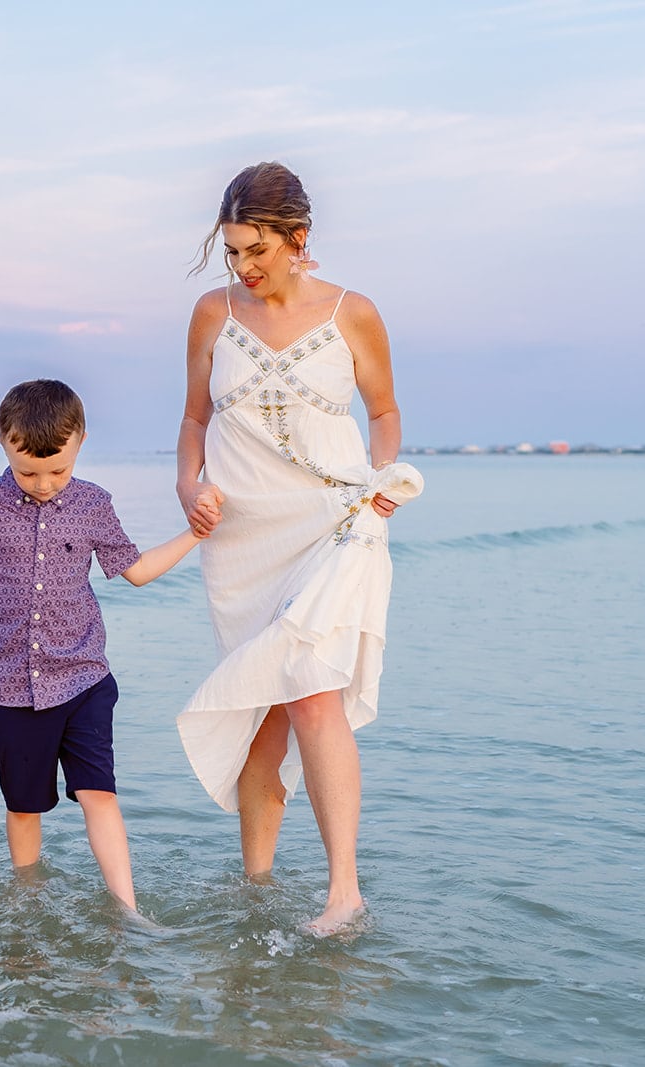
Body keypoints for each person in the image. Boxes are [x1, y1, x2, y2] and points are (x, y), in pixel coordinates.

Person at [174, 161, 423, 937]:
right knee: (264, 714)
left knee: (313, 690)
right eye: (233, 253)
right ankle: (257, 884)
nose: (244, 268)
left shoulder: (354, 312)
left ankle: (343, 891)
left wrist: (383, 477)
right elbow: (190, 420)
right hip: (243, 536)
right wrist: (189, 485)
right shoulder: (212, 313)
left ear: (297, 240)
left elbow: (384, 412)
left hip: (333, 522)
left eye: (256, 250)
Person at [0, 380, 210, 911]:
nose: (44, 485)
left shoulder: (93, 504)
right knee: (24, 807)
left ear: (81, 441)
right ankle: (27, 899)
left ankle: (127, 907)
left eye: (57, 471)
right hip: (11, 686)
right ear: (4, 441)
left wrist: (195, 534)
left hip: (85, 677)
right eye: (29, 472)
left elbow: (134, 571)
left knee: (99, 794)